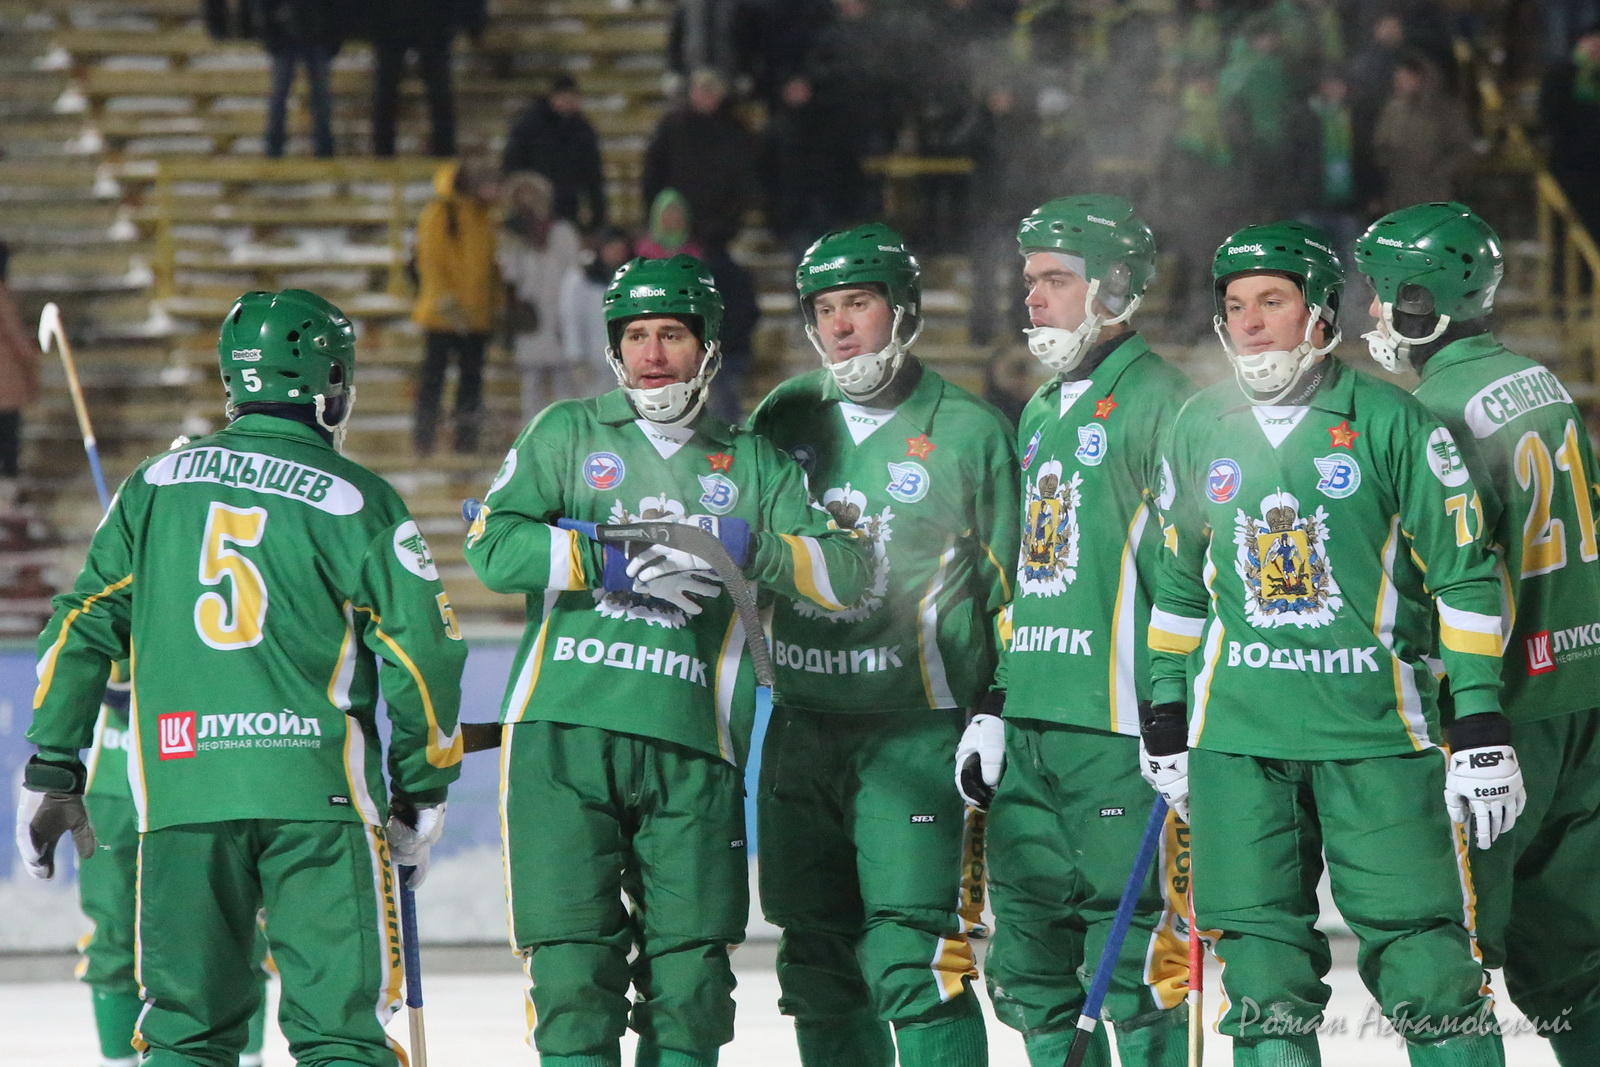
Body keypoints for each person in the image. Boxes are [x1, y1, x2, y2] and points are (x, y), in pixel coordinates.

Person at [16, 288, 466, 1066]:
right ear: (331, 385)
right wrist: (422, 786)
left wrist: (54, 762)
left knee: (188, 1036)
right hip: (317, 803)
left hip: (184, 794)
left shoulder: (154, 484)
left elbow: (79, 624)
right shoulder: (361, 499)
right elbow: (425, 655)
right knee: (338, 1037)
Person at [463, 254, 869, 1067]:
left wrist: (747, 545)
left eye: (672, 335)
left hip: (696, 747)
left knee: (692, 992)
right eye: (638, 335)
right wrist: (601, 560)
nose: (653, 353)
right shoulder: (567, 433)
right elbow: (492, 545)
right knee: (575, 976)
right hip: (561, 738)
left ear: (707, 347)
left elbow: (850, 575)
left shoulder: (754, 465)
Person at [1143, 222, 1517, 1066]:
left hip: (1377, 741)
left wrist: (1483, 726)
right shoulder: (1200, 424)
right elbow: (1176, 589)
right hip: (1235, 744)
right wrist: (1166, 713)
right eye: (1235, 305)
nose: (1250, 323)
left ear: (1319, 312)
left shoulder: (1395, 422)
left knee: (1431, 975)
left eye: (1271, 301)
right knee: (1264, 988)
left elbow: (1464, 578)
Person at [749, 225, 1019, 1067]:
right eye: (824, 310)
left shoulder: (970, 430)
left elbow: (1015, 592)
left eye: (856, 304)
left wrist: (1000, 706)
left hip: (916, 730)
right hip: (799, 729)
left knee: (915, 957)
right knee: (816, 958)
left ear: (901, 310)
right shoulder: (782, 417)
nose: (839, 327)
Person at [1355, 201, 1600, 1063]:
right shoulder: (1545, 384)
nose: (1374, 315)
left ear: (1421, 302)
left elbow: (1448, 580)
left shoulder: (1437, 414)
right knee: (1576, 965)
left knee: (1453, 964)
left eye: (1383, 297)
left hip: (1500, 716)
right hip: (1582, 695)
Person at [956, 196, 1194, 1066]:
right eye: (1031, 281)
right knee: (1029, 973)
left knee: (1135, 979)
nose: (1034, 298)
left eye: (1056, 279)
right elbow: (1033, 576)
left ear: (1116, 287)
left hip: (1122, 736)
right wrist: (996, 699)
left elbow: (1191, 574)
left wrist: (1175, 711)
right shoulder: (1043, 409)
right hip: (1034, 730)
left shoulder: (1167, 404)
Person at [77, 665, 274, 1067]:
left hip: (208, 762)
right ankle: (118, 1060)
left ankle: (251, 1058)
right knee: (114, 929)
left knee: (235, 917)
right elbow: (93, 654)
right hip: (119, 771)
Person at [412, 157, 502, 456]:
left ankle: (466, 442)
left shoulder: (484, 217)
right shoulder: (440, 213)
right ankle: (423, 441)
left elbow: (490, 269)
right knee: (433, 381)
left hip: (477, 319)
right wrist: (446, 302)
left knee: (471, 383)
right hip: (443, 317)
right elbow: (431, 260)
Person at [641, 68, 758, 254]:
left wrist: (729, 221)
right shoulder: (672, 126)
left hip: (717, 227)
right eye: (701, 90)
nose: (705, 96)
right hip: (676, 225)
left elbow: (741, 179)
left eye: (711, 91)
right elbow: (653, 172)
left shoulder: (734, 130)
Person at [499, 171, 584, 421]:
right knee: (531, 385)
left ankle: (569, 436)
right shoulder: (514, 238)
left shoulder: (562, 232)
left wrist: (567, 313)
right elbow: (510, 275)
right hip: (531, 318)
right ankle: (531, 439)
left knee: (564, 385)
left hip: (560, 315)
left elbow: (573, 273)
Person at [370, 0, 487, 157]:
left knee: (437, 91)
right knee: (389, 90)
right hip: (403, 18)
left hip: (429, 18)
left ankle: (443, 153)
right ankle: (384, 153)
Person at [501, 73, 608, 231]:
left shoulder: (582, 130)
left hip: (567, 208)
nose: (569, 102)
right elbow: (512, 166)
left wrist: (598, 215)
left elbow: (593, 174)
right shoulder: (529, 126)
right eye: (565, 97)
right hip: (532, 209)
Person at [1372, 53, 1475, 212]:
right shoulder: (1393, 110)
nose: (1398, 84)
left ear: (1419, 79)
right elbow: (1381, 146)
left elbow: (1462, 149)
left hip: (1436, 196)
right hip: (1399, 197)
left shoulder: (1445, 111)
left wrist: (1439, 172)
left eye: (1404, 79)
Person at [256, 0, 341, 158]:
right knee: (280, 95)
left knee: (320, 96)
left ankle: (324, 149)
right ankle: (274, 149)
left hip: (317, 34)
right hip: (285, 35)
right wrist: (269, 32)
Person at [558, 226, 635, 372]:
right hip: (592, 361)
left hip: (627, 363)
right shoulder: (581, 279)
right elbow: (572, 319)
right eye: (611, 247)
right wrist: (576, 358)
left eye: (620, 248)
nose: (616, 253)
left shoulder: (632, 279)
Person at [0, 240, 37, 495]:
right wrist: (31, 357)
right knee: (8, 434)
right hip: (5, 378)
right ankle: (7, 491)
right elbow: (14, 332)